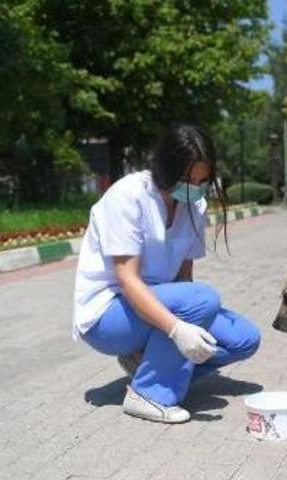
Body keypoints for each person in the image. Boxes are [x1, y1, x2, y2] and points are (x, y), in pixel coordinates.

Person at [72, 124, 260, 423]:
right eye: (187, 179)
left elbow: (184, 279)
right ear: (165, 167)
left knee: (244, 338)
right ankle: (149, 394)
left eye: (202, 180)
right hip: (110, 314)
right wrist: (175, 330)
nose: (195, 187)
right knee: (204, 298)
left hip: (156, 307)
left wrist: (182, 327)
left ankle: (152, 365)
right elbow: (127, 279)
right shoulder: (129, 195)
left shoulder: (193, 205)